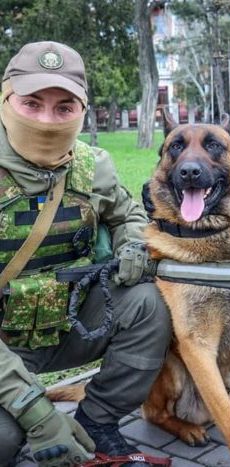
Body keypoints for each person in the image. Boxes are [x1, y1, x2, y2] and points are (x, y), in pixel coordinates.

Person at [0, 41, 172, 466]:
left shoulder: (93, 165)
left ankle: (97, 421)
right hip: (4, 345)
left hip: (69, 323)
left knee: (149, 302)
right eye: (31, 103)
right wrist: (38, 414)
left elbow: (128, 213)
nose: (46, 120)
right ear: (5, 100)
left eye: (64, 107)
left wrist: (133, 243)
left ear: (82, 111)